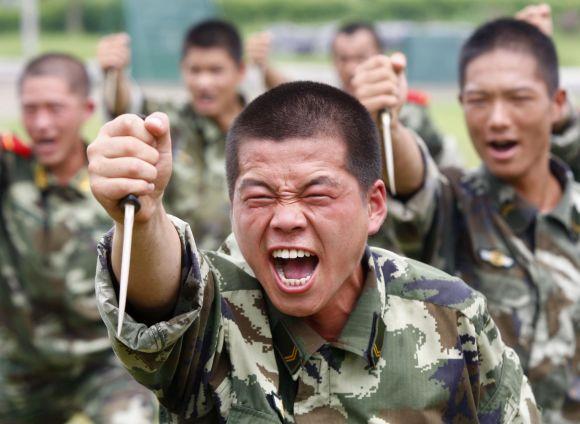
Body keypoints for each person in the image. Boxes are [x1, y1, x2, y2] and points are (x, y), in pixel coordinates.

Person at [88, 81, 539, 422]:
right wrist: (144, 215)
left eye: (317, 196)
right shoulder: (214, 307)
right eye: (260, 197)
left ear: (374, 205)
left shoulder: (451, 313)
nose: (286, 218)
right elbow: (162, 300)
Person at [352, 18, 580, 422]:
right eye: (478, 100)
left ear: (558, 103)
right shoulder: (455, 204)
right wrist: (387, 119)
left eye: (518, 98)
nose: (496, 119)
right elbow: (414, 184)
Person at [0, 53, 157, 422]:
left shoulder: (116, 185)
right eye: (31, 109)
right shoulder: (10, 172)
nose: (41, 123)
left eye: (55, 108)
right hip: (22, 366)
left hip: (104, 365)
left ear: (87, 108)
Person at [98, 20, 285, 250]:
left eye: (216, 70)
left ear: (240, 71)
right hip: (176, 272)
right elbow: (125, 105)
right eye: (194, 70)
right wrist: (114, 72)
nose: (204, 83)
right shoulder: (169, 122)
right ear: (182, 69)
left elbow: (302, 110)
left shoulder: (262, 127)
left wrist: (268, 70)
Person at [332, 21, 454, 166]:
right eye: (343, 59)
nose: (351, 69)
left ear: (380, 56)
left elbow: (436, 153)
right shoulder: (327, 111)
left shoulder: (406, 109)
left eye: (360, 58)